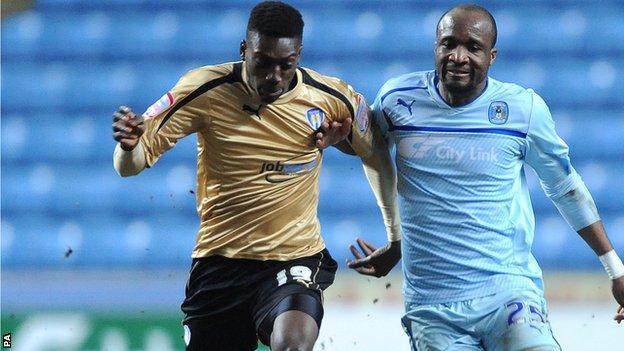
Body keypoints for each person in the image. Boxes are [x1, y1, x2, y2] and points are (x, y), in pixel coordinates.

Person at [318, 4, 624, 350]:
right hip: (432, 304)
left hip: (508, 292)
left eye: (473, 47)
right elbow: (368, 146)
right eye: (448, 44)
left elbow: (566, 188)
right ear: (436, 47)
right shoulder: (398, 98)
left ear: (492, 56)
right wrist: (339, 137)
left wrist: (615, 268)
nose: (458, 57)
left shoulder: (523, 109)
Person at [111, 1, 400, 350]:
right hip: (220, 262)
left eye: (286, 64)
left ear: (299, 54)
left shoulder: (332, 98)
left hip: (294, 256)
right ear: (244, 49)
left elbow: (376, 154)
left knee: (292, 342)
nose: (274, 76)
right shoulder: (205, 89)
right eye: (263, 62)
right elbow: (131, 165)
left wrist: (395, 237)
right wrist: (128, 147)